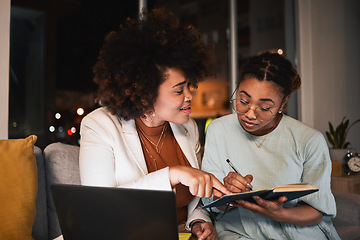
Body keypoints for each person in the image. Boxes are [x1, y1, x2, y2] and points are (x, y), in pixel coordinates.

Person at [79, 8, 230, 240]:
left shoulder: (187, 128)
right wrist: (172, 174)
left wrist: (198, 221)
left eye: (189, 86)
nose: (189, 95)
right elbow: (100, 206)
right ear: (146, 93)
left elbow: (194, 200)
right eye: (179, 90)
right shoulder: (99, 125)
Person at [201, 52, 341, 239]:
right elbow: (211, 204)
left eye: (265, 108)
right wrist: (225, 193)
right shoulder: (218, 130)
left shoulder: (309, 140)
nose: (250, 114)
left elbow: (316, 212)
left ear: (283, 102)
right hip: (240, 229)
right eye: (243, 101)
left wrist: (279, 213)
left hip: (296, 230)